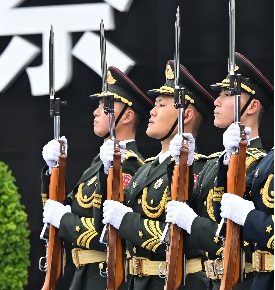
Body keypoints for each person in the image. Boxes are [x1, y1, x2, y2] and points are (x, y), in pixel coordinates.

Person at [102, 60, 214, 289]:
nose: (152, 111)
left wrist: (126, 221)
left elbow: (184, 238)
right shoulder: (145, 169)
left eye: (162, 105)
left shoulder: (199, 170)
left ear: (186, 115)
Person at [166, 52, 272, 289]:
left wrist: (193, 223)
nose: (217, 101)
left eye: (227, 95)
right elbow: (188, 211)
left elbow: (240, 237)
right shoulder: (214, 164)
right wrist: (181, 167)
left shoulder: (260, 164)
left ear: (253, 106)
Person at [41, 66, 153, 289]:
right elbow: (62, 209)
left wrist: (63, 219)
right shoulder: (97, 165)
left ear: (127, 116)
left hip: (105, 277)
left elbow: (108, 233)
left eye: (105, 106)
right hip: (84, 277)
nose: (96, 112)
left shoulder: (130, 166)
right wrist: (51, 172)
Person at [220, 148, 274, 290]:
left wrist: (249, 218)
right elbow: (226, 205)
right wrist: (227, 162)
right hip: (262, 280)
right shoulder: (270, 157)